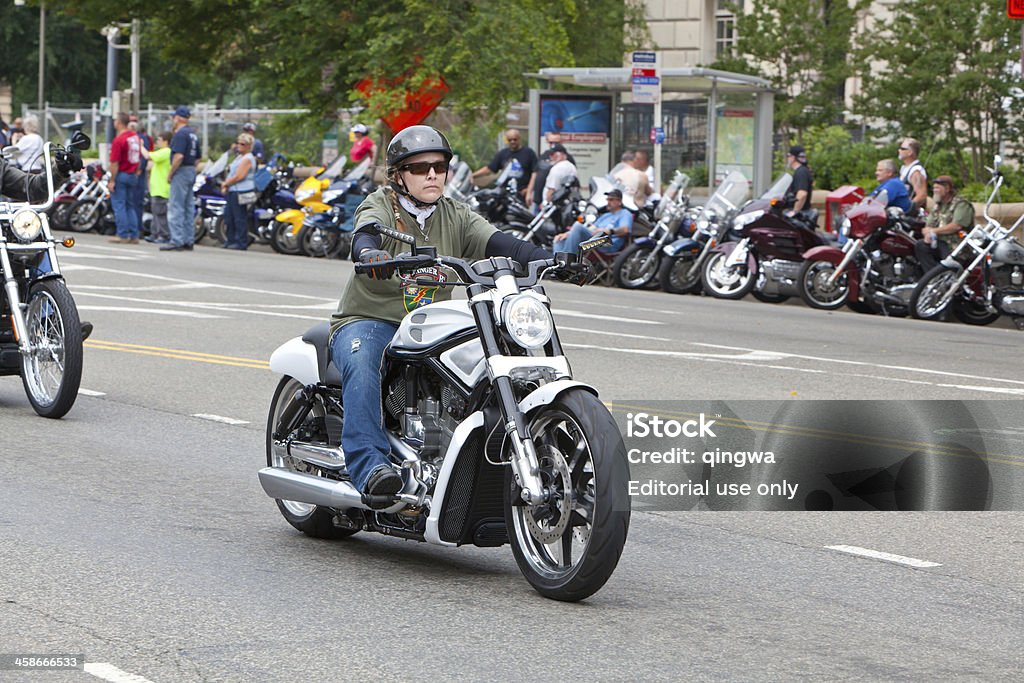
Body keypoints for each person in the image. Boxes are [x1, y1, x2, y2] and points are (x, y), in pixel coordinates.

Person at [330, 125, 551, 504]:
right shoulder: (381, 204)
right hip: (372, 319)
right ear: (398, 175)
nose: (432, 174)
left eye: (439, 166)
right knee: (363, 362)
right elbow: (365, 231)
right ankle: (370, 468)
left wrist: (551, 257)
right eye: (419, 168)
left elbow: (500, 242)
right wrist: (369, 253)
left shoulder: (456, 214)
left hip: (431, 325)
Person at [915, 175, 973, 272]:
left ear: (947, 188)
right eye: (934, 188)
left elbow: (956, 226)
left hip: (955, 246)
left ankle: (944, 277)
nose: (934, 190)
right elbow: (928, 226)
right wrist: (927, 233)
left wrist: (933, 231)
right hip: (938, 243)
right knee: (920, 246)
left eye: (937, 188)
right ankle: (932, 278)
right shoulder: (937, 206)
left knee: (945, 254)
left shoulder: (961, 204)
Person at [164, 106, 200, 252]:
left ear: (178, 118)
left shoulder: (180, 134)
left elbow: (179, 156)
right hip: (191, 169)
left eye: (174, 117)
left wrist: (171, 173)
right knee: (188, 207)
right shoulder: (193, 134)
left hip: (181, 170)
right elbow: (198, 158)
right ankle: (188, 239)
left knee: (176, 206)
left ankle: (177, 240)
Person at [553, 188, 632, 255]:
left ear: (619, 202)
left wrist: (609, 231)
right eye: (607, 199)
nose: (608, 202)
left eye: (611, 200)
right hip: (594, 239)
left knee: (577, 225)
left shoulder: (625, 213)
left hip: (607, 243)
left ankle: (567, 263)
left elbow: (625, 230)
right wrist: (567, 234)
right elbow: (591, 228)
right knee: (559, 239)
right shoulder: (606, 215)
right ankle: (557, 266)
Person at [472, 128, 537, 203]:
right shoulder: (503, 154)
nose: (512, 142)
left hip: (521, 194)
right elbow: (489, 169)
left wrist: (529, 190)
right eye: (510, 140)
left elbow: (535, 173)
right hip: (504, 194)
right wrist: (472, 175)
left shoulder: (529, 153)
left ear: (519, 139)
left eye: (515, 139)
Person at [107, 112, 143, 244]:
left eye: (115, 120)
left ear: (119, 122)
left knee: (120, 205)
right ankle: (134, 234)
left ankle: (122, 234)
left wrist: (112, 180)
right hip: (132, 173)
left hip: (122, 174)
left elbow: (114, 162)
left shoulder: (119, 140)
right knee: (130, 205)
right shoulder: (134, 137)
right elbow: (138, 157)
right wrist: (137, 170)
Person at [219, 133, 257, 250]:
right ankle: (230, 240)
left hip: (241, 190)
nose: (239, 146)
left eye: (242, 144)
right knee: (229, 216)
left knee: (239, 217)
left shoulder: (248, 158)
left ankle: (241, 241)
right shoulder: (239, 157)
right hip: (233, 189)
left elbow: (240, 176)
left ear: (248, 146)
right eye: (238, 143)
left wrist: (226, 183)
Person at [142, 131, 173, 244]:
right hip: (157, 188)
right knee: (155, 212)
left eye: (159, 140)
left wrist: (140, 146)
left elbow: (147, 156)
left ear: (166, 141)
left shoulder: (166, 152)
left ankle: (163, 234)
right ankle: (154, 233)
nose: (157, 142)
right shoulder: (163, 152)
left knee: (160, 213)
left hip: (161, 188)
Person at [532, 132, 576, 210]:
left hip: (553, 202)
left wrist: (546, 202)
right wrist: (529, 192)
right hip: (539, 199)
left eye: (556, 143)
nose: (553, 145)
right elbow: (535, 172)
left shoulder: (560, 167)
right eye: (551, 142)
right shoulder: (545, 154)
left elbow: (553, 188)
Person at [898, 137, 928, 212]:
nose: (899, 150)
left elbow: (921, 195)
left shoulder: (915, 171)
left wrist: (907, 209)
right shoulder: (904, 168)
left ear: (910, 152)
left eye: (902, 148)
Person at [786, 144, 814, 215]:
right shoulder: (802, 171)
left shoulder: (801, 172)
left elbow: (802, 194)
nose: (788, 159)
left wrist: (794, 212)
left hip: (801, 215)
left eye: (788, 156)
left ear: (793, 157)